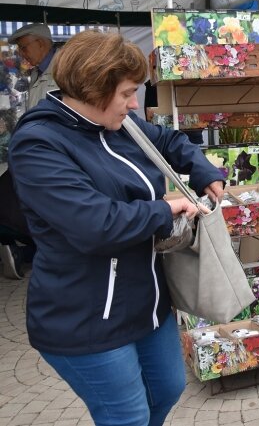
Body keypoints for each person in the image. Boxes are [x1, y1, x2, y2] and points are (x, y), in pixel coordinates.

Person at [8, 31, 224, 426]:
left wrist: (204, 170)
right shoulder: (38, 144)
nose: (134, 103)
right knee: (126, 416)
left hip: (145, 300)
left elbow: (171, 140)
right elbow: (96, 225)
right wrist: (164, 208)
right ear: (93, 88)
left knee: (168, 388)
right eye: (126, 93)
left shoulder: (121, 126)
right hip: (86, 315)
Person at [9, 23, 57, 110]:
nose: (20, 54)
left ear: (40, 43)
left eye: (23, 48)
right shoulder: (37, 71)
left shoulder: (68, 68)